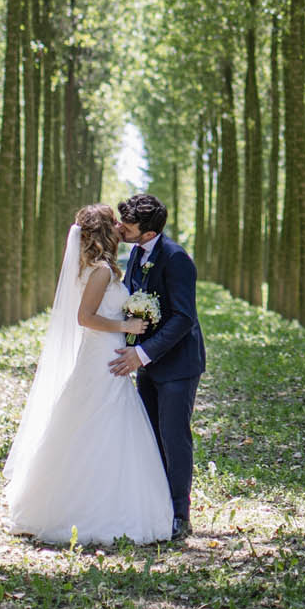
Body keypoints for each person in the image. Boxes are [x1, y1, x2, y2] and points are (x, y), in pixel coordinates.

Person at [2, 204, 173, 545]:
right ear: (106, 231)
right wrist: (126, 324)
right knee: (102, 422)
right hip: (101, 355)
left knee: (102, 423)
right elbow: (85, 317)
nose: (121, 226)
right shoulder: (101, 272)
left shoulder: (102, 268)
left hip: (107, 352)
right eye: (115, 222)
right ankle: (88, 510)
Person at [107, 192, 204, 540]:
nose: (120, 228)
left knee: (174, 437)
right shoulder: (135, 253)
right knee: (149, 436)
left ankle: (180, 514)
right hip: (146, 363)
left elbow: (183, 317)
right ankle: (155, 506)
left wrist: (142, 354)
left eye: (127, 226)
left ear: (148, 233)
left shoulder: (177, 259)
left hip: (177, 364)